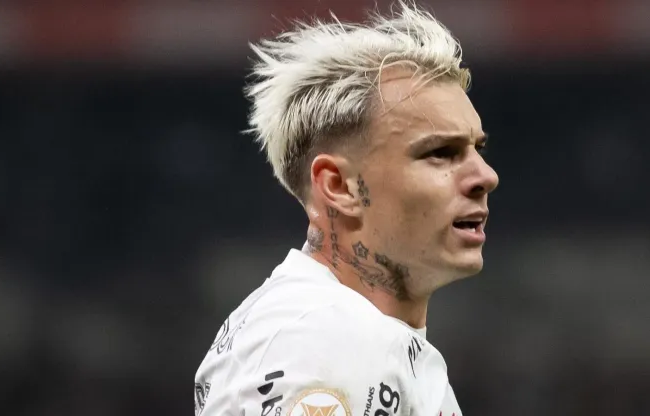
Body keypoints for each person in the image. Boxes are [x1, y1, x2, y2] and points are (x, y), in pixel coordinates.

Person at [194, 2, 499, 415]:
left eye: (476, 149)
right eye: (440, 153)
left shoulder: (363, 336)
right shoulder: (317, 340)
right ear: (339, 186)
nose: (485, 175)